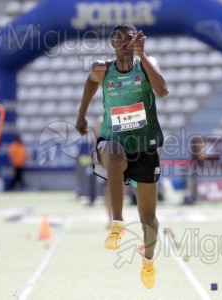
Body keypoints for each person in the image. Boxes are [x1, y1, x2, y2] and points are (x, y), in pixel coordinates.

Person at [76, 23, 169, 289]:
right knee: (114, 154)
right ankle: (117, 223)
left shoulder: (146, 63)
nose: (125, 41)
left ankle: (148, 259)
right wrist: (81, 114)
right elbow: (91, 82)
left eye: (130, 38)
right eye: (119, 38)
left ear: (138, 41)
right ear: (113, 44)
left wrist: (142, 56)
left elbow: (162, 92)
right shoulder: (101, 69)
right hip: (113, 139)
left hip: (145, 147)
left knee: (149, 220)